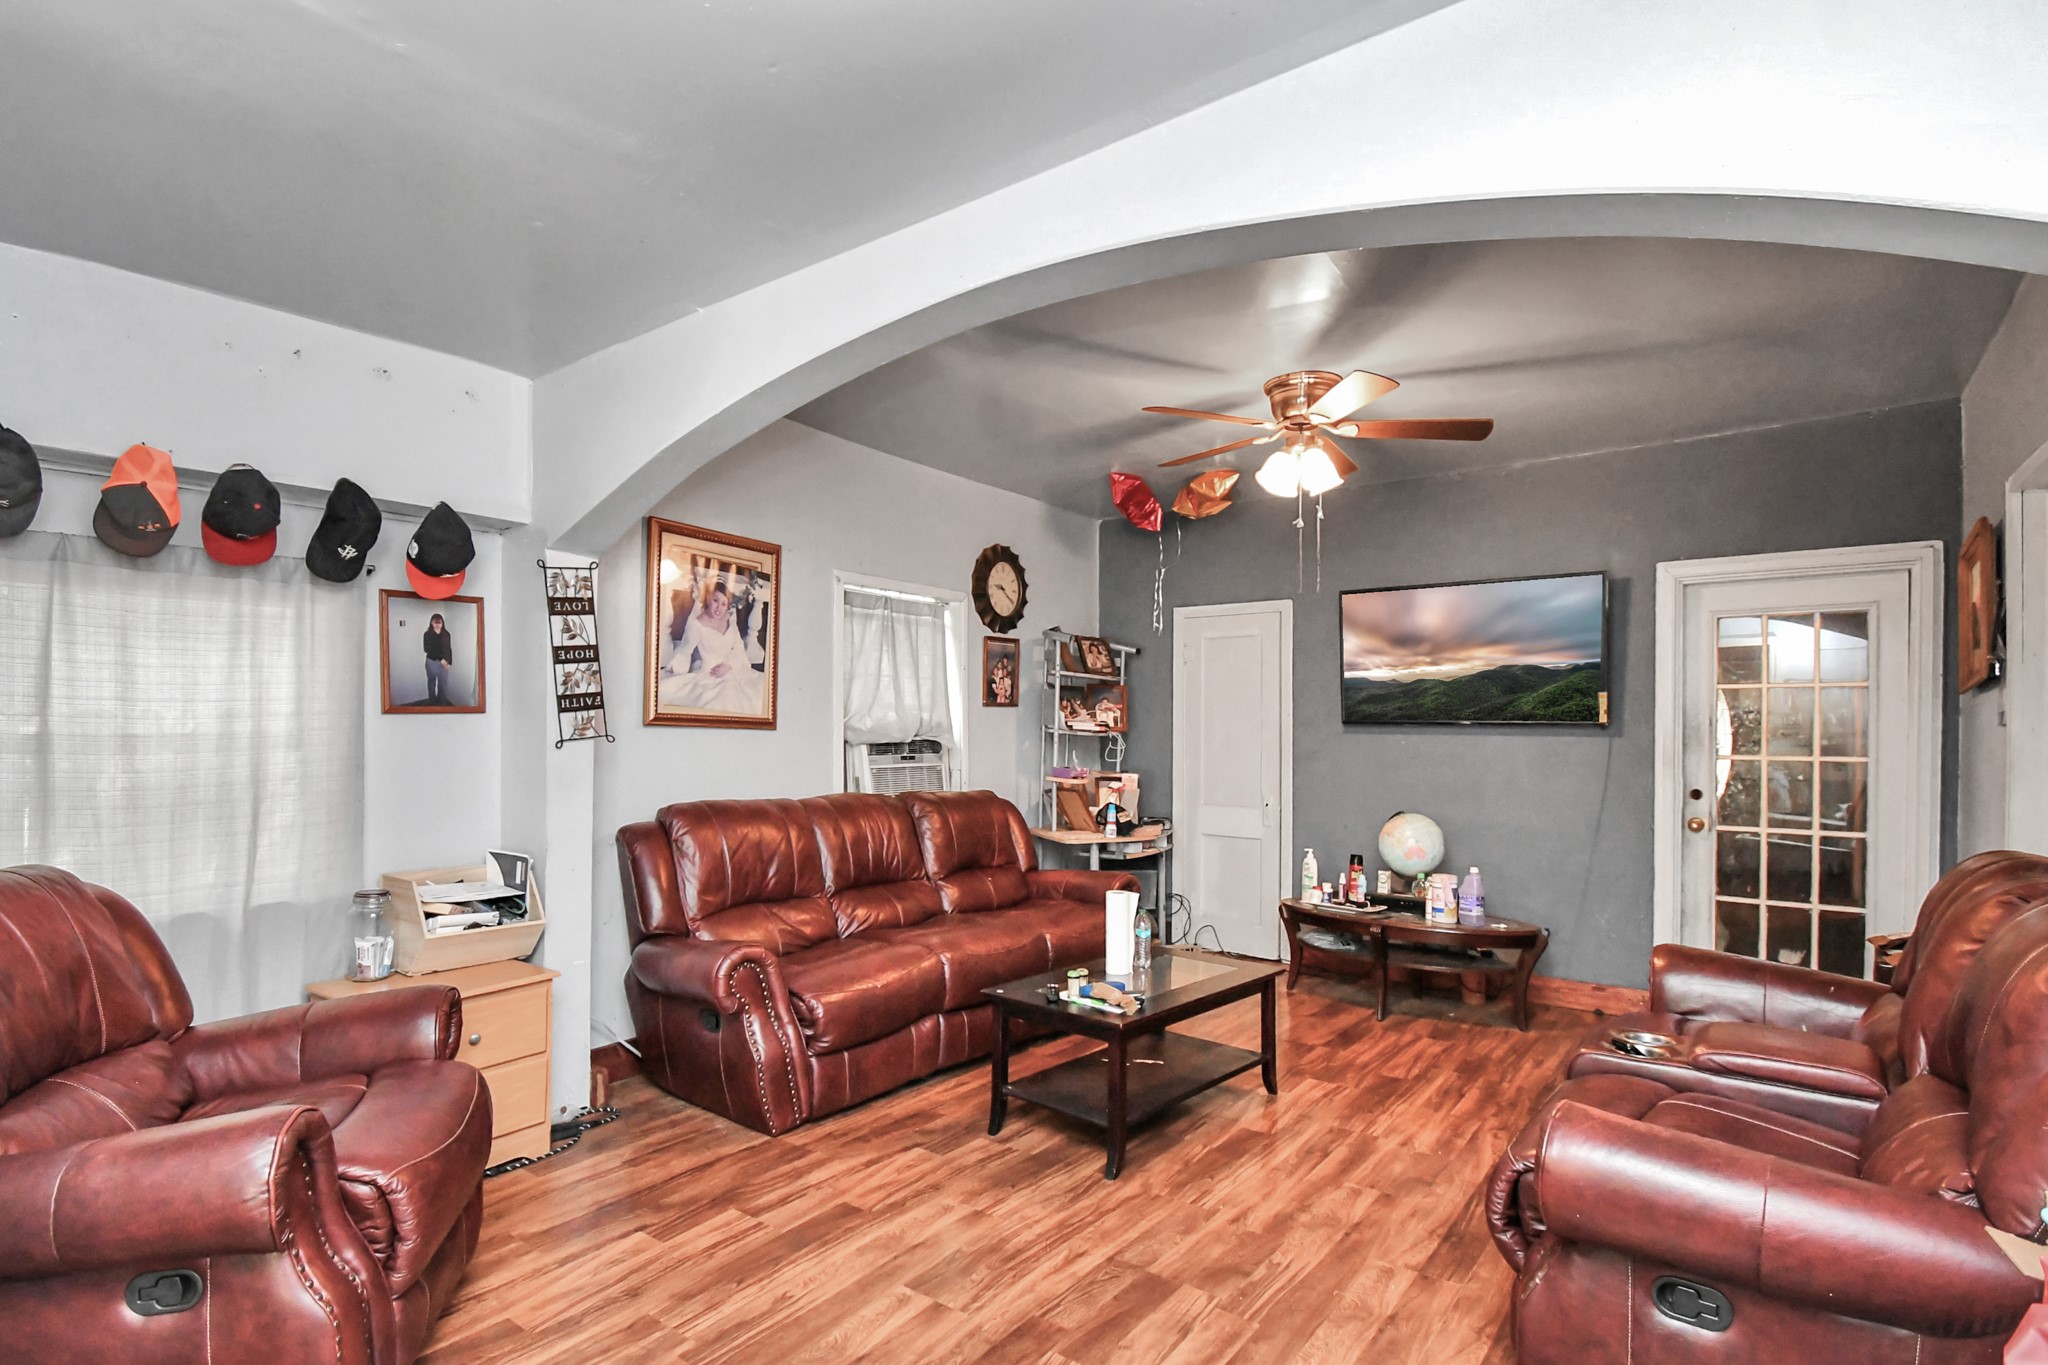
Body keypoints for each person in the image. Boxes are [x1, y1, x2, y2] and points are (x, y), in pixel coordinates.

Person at [665, 579, 764, 713]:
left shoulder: (729, 617)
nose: (719, 608)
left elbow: (739, 647)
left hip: (734, 669)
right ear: (708, 598)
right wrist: (675, 669)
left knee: (758, 698)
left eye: (724, 603)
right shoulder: (697, 624)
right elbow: (685, 651)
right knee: (722, 705)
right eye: (716, 600)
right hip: (710, 675)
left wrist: (729, 665)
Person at [423, 613, 455, 704]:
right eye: (435, 622)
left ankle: (442, 704)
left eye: (439, 622)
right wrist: (442, 660)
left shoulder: (446, 634)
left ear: (442, 623)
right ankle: (432, 703)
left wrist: (449, 663)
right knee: (431, 683)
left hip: (444, 663)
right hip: (432, 662)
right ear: (431, 623)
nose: (437, 624)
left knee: (443, 684)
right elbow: (427, 649)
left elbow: (449, 648)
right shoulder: (427, 634)